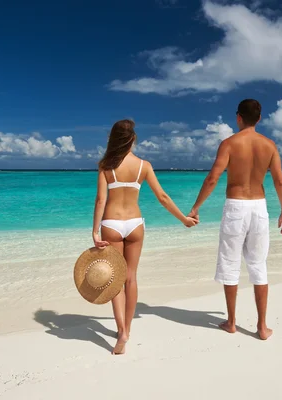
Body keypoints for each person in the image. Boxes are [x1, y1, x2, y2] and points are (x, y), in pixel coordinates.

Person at [92, 119, 198, 354]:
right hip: (135, 224)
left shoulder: (106, 166)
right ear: (133, 139)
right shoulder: (144, 166)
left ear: (113, 139)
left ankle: (121, 331)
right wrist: (183, 219)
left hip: (111, 224)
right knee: (131, 278)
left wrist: (95, 230)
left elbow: (100, 200)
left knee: (114, 279)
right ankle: (127, 329)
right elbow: (163, 197)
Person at [188, 99, 282, 340]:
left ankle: (232, 322)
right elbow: (279, 181)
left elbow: (213, 178)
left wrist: (196, 207)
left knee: (230, 263)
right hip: (259, 208)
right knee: (258, 265)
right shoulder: (270, 145)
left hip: (235, 207)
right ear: (260, 118)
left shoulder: (229, 144)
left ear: (238, 118)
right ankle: (262, 327)